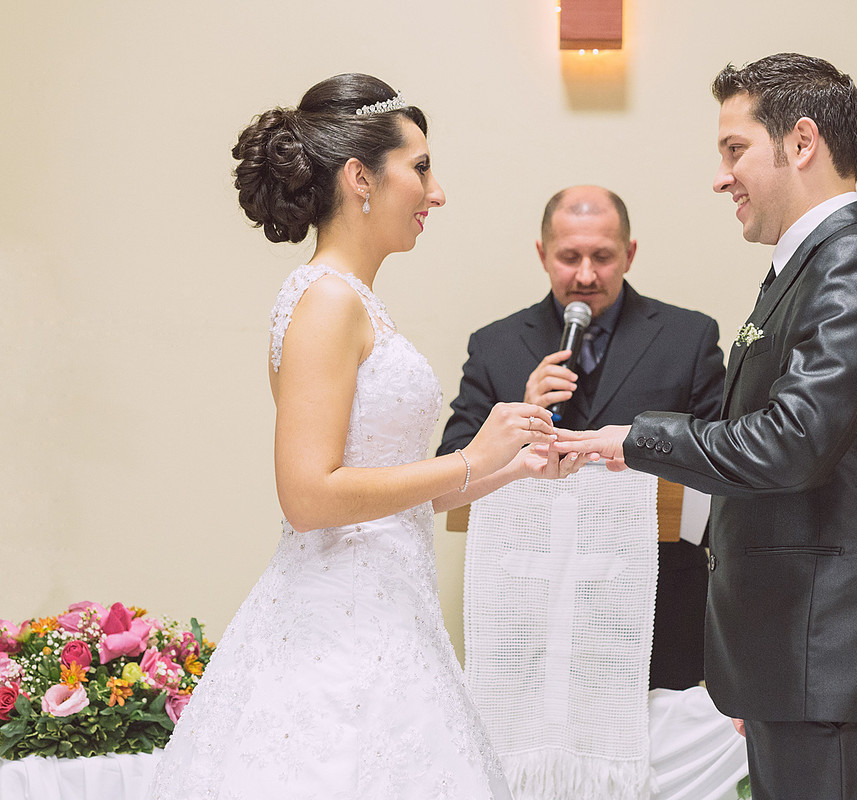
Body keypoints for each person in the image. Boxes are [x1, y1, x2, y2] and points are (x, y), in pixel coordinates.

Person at [150, 73, 586, 800]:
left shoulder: (350, 301)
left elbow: (378, 478)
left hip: (388, 609)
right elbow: (308, 496)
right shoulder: (325, 300)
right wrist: (470, 459)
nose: (436, 192)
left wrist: (509, 464)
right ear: (360, 177)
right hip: (340, 632)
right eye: (419, 168)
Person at [555, 54, 857, 800]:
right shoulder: (804, 269)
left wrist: (635, 440)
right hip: (796, 662)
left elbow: (793, 442)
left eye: (735, 150)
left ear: (801, 143)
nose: (721, 175)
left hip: (833, 664)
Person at [438, 185, 726, 690]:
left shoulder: (689, 338)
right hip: (528, 626)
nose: (586, 275)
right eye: (570, 257)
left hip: (659, 619)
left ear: (629, 254)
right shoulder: (495, 346)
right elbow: (451, 472)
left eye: (603, 257)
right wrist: (522, 420)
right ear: (543, 254)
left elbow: (719, 459)